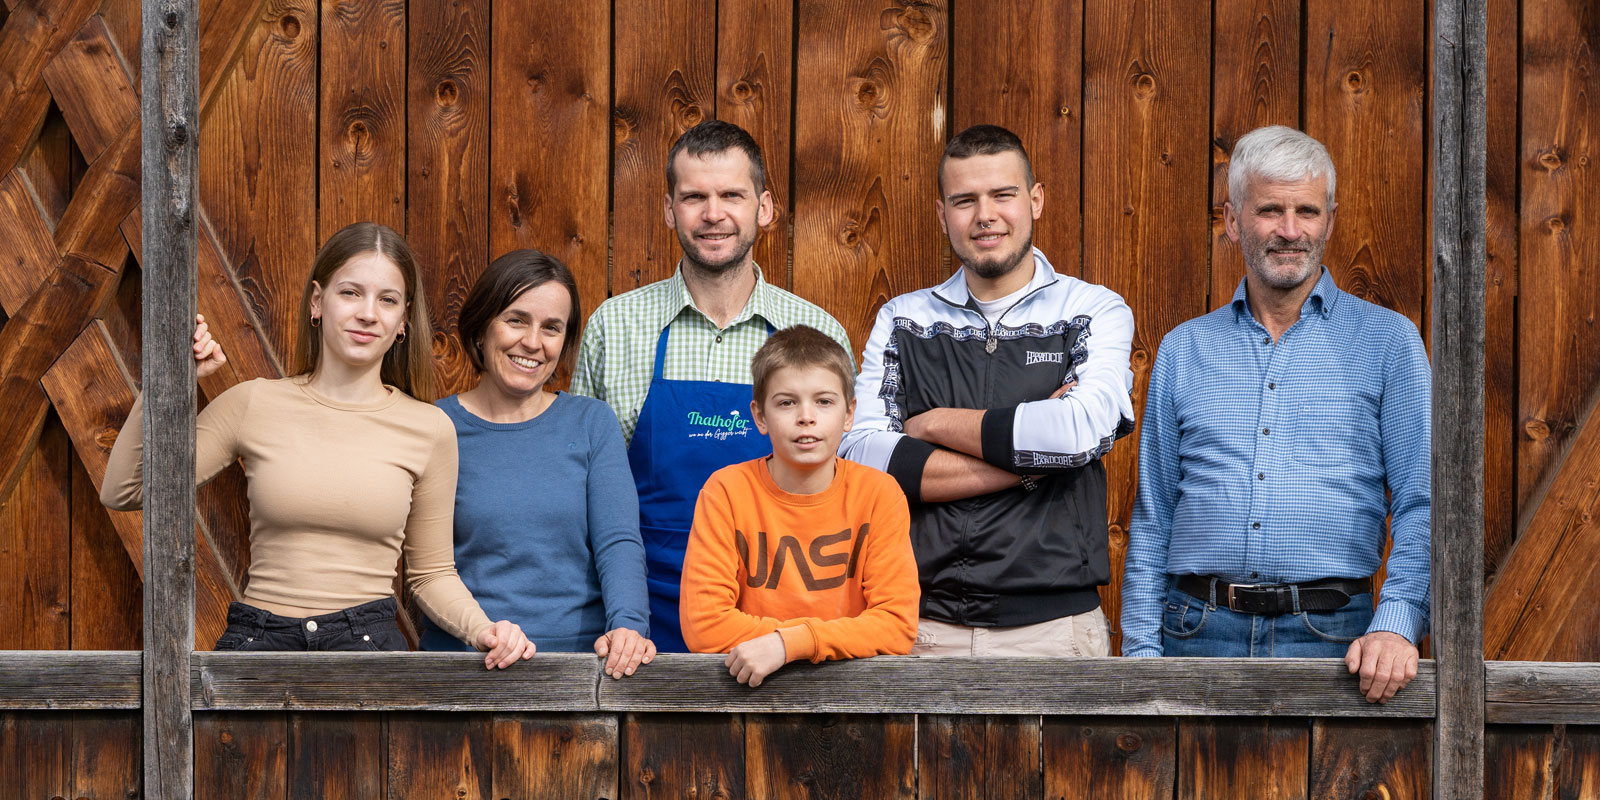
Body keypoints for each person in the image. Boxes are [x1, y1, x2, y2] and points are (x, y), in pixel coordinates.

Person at [101, 222, 536, 668]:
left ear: (403, 321)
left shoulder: (429, 428)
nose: (369, 313)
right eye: (350, 293)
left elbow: (430, 574)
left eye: (387, 300)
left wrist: (484, 628)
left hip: (367, 651)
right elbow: (124, 490)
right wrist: (170, 378)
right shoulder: (255, 403)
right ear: (317, 302)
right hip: (260, 647)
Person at [1120, 125, 1430, 704]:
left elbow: (1421, 502)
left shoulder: (1389, 343)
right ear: (1234, 220)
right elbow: (1154, 514)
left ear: (1330, 222)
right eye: (1270, 210)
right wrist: (1141, 652)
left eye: (1307, 211)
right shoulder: (1185, 349)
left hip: (1336, 638)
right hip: (1194, 632)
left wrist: (1398, 619)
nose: (1291, 231)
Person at [840, 124, 1136, 657]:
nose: (985, 215)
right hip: (920, 625)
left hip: (1054, 631)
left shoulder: (1092, 309)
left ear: (1035, 199)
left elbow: (1078, 432)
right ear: (941, 213)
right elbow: (862, 456)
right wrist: (1035, 456)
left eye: (1003, 194)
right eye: (964, 200)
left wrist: (931, 425)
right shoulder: (903, 318)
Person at [572, 120, 852, 652]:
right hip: (643, 622)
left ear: (763, 208)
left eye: (731, 195)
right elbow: (583, 487)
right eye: (694, 197)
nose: (713, 213)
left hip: (782, 624)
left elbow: (842, 494)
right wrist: (617, 617)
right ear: (668, 209)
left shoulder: (815, 333)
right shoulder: (616, 326)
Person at [420, 249, 655, 679]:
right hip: (461, 667)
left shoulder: (590, 422)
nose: (533, 342)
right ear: (482, 326)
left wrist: (627, 626)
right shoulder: (435, 427)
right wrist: (481, 631)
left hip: (580, 670)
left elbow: (618, 542)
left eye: (551, 328)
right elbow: (426, 569)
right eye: (516, 320)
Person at [680, 326, 918, 686]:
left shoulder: (879, 495)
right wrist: (838, 637)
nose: (806, 416)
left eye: (824, 401)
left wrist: (787, 645)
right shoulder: (726, 492)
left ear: (849, 414)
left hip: (854, 696)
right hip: (748, 697)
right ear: (759, 416)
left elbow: (897, 625)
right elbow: (704, 625)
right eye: (786, 402)